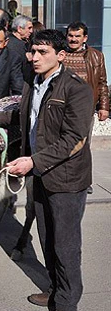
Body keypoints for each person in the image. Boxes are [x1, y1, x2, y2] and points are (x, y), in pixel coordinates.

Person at [0, 29, 93, 311]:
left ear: (60, 56)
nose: (34, 57)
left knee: (65, 246)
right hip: (40, 175)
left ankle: (66, 303)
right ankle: (55, 289)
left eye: (42, 53)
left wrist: (32, 162)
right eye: (33, 51)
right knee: (47, 240)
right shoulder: (33, 81)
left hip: (66, 179)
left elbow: (74, 140)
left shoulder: (76, 89)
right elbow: (26, 115)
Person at [63, 21, 109, 195]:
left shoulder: (97, 56)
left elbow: (102, 83)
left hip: (84, 109)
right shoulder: (60, 54)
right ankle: (63, 180)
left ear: (85, 38)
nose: (73, 40)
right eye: (71, 36)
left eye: (77, 36)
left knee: (83, 146)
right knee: (61, 144)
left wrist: (104, 106)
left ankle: (83, 182)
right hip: (61, 108)